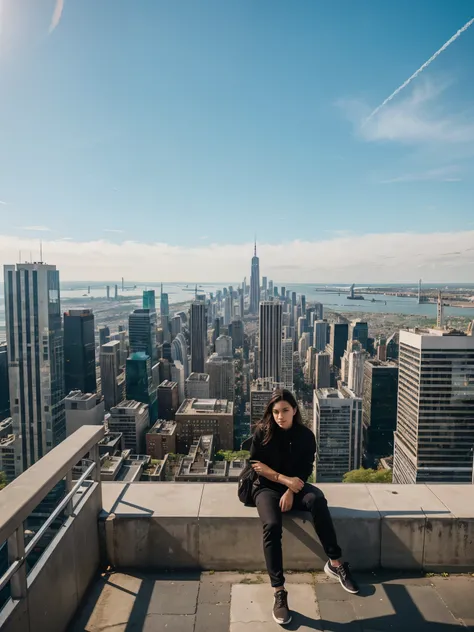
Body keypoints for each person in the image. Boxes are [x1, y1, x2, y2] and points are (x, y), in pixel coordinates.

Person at [250, 388, 359, 626]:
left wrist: (291, 490)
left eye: (285, 410)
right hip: (266, 488)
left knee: (317, 501)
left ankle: (336, 563)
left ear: (295, 410)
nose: (280, 416)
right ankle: (279, 591)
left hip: (296, 487)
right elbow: (256, 464)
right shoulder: (263, 432)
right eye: (275, 411)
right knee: (271, 524)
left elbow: (306, 468)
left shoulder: (305, 436)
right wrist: (284, 481)